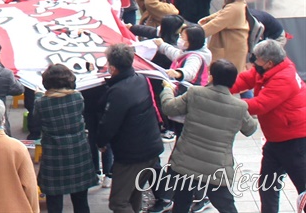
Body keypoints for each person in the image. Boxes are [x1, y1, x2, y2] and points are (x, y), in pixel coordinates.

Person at [159, 59, 258, 213]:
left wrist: (167, 89)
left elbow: (169, 108)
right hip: (217, 167)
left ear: (212, 76)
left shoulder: (195, 93)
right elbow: (250, 129)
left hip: (186, 162)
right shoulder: (239, 106)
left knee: (181, 205)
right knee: (227, 206)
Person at [230, 40, 306, 213]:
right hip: (276, 139)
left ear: (269, 62)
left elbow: (260, 105)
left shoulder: (283, 78)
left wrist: (227, 104)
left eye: (255, 59)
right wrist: (220, 86)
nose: (252, 62)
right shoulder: (269, 69)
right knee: (267, 185)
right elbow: (245, 79)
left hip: (294, 141)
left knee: (303, 188)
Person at [97, 43, 164, 213]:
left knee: (118, 202)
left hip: (132, 156)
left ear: (112, 67)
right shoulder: (140, 79)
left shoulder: (118, 92)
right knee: (134, 194)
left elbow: (109, 124)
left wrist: (100, 142)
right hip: (151, 148)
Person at [34, 64, 97, 212]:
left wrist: (38, 94)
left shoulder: (41, 103)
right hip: (78, 154)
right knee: (81, 201)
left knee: (54, 203)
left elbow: (36, 122)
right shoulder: (77, 97)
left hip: (53, 158)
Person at [199, 0, 249, 73]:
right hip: (234, 45)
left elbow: (215, 24)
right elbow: (220, 14)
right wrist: (206, 20)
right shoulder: (239, 4)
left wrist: (195, 34)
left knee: (226, 75)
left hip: (230, 47)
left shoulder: (234, 8)